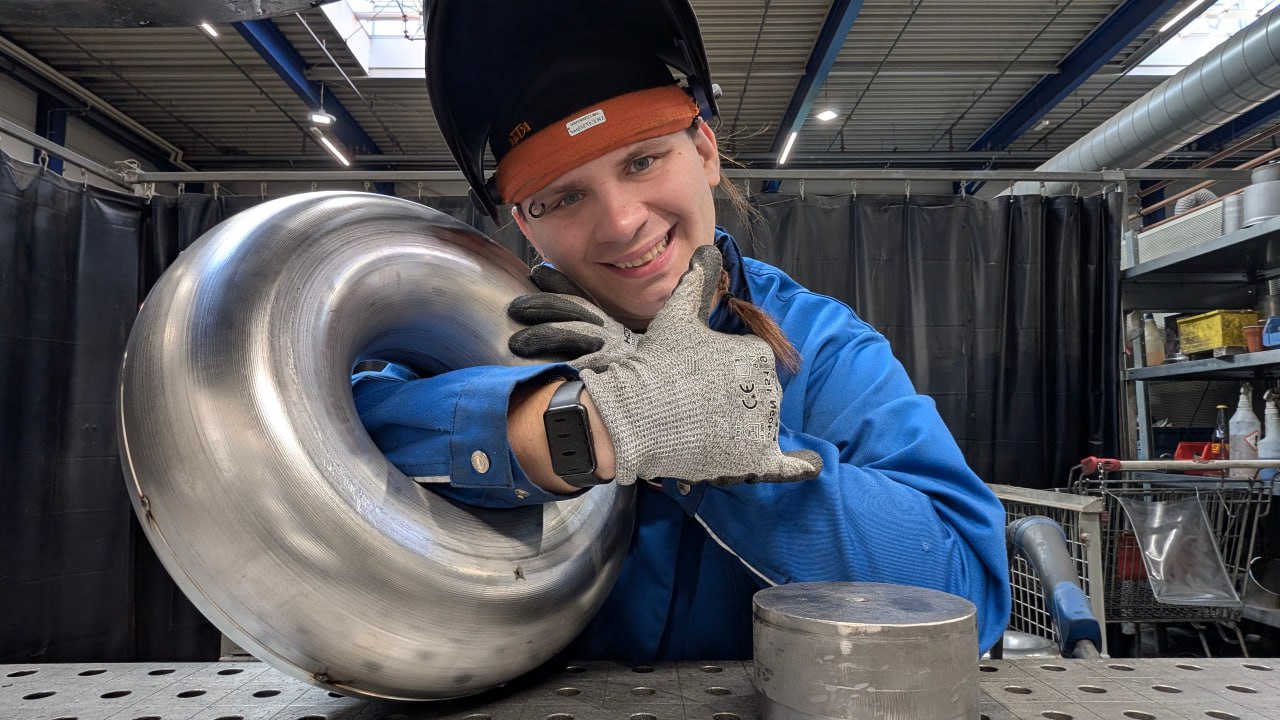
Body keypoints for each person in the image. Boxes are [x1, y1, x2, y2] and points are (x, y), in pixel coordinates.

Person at [353, 0, 1011, 661]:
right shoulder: (479, 334)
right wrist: (577, 426)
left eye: (642, 161)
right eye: (565, 196)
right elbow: (340, 434)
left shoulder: (821, 346)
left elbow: (965, 600)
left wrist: (722, 439)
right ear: (528, 225)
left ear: (704, 151)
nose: (621, 223)